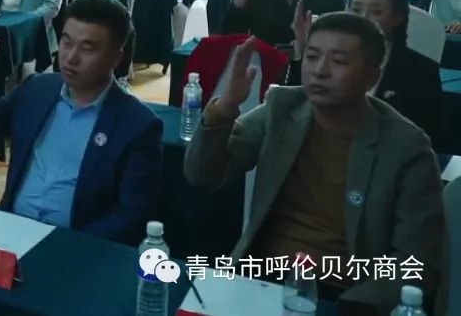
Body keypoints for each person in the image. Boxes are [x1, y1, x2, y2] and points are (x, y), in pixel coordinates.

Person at [184, 17, 445, 313]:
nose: (320, 71)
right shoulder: (282, 108)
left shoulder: (406, 146)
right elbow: (202, 176)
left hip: (346, 294)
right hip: (261, 278)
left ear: (373, 76)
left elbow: (417, 261)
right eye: (312, 56)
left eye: (339, 61)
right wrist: (225, 108)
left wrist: (352, 307)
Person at [0, 0, 162, 244]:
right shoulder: (36, 90)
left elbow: (131, 216)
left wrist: (66, 247)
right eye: (66, 41)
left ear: (116, 57)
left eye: (87, 48)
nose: (71, 57)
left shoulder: (138, 125)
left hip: (76, 247)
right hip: (9, 233)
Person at [286, 0, 442, 142]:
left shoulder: (421, 70)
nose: (363, 18)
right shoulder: (323, 56)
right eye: (356, 9)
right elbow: (295, 109)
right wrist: (303, 49)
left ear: (397, 18)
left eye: (376, 12)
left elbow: (427, 134)